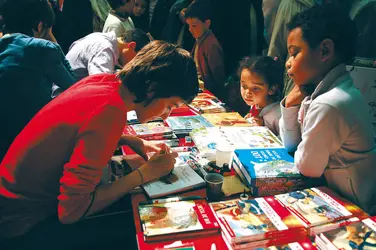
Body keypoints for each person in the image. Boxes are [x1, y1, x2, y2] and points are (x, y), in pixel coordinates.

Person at [0, 40, 199, 249]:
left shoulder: (103, 82)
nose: (166, 115)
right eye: (169, 106)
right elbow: (71, 211)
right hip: (22, 224)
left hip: (9, 200)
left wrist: (128, 139)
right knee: (146, 226)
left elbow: (77, 128)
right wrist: (146, 173)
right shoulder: (110, 113)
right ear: (151, 89)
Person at [280, 4, 376, 215]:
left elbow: (307, 167)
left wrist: (301, 148)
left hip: (358, 210)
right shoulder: (327, 92)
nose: (288, 63)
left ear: (324, 51)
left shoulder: (331, 103)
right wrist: (290, 104)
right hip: (338, 197)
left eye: (294, 53)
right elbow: (290, 144)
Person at [0, 0, 75, 161]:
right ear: (40, 26)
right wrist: (52, 40)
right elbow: (74, 87)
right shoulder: (42, 49)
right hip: (28, 147)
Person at [66, 29, 150, 81]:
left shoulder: (103, 39)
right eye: (136, 59)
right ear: (132, 46)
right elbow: (99, 83)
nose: (133, 64)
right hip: (64, 95)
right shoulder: (105, 48)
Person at [185, 0, 226, 100]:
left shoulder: (211, 44)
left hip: (208, 93)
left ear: (207, 23)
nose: (190, 29)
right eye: (189, 25)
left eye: (194, 25)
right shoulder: (199, 40)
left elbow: (218, 78)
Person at [238, 56, 284, 136]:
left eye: (256, 88)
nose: (247, 92)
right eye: (244, 86)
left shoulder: (278, 115)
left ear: (272, 89)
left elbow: (286, 145)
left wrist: (262, 130)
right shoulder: (255, 104)